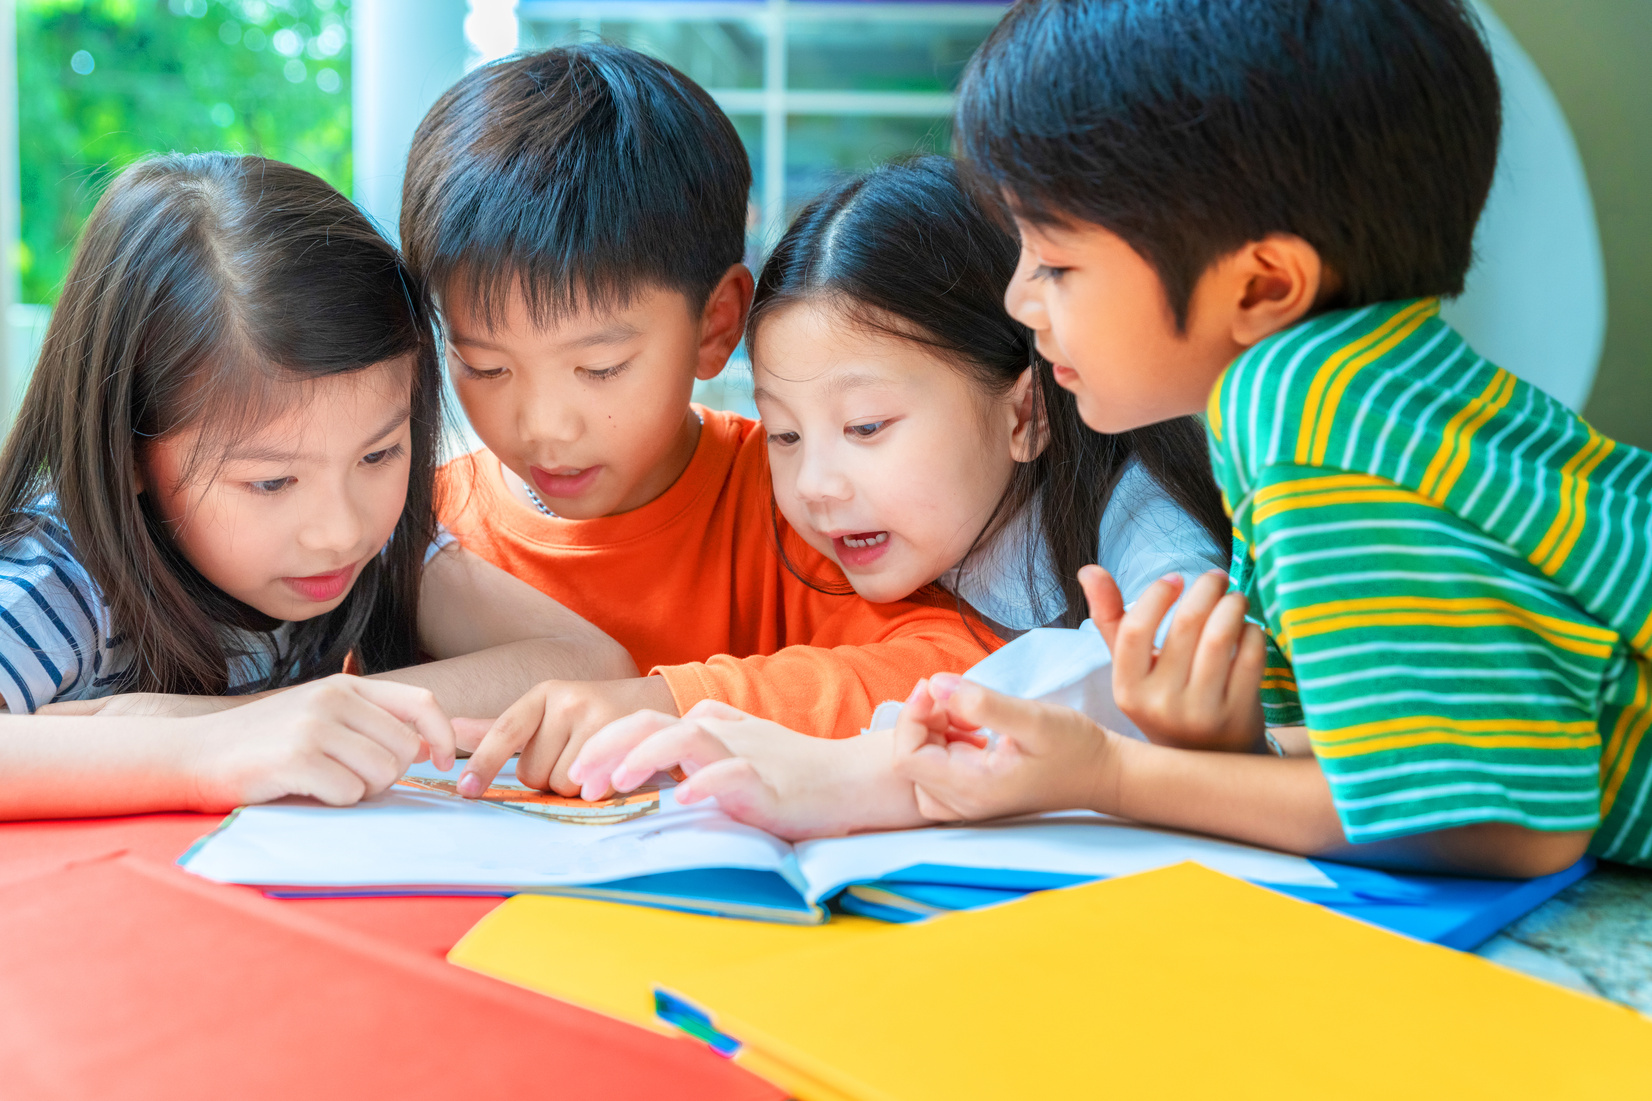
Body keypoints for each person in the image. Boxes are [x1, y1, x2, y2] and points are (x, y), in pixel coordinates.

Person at [578, 0, 1652, 878]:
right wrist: (1220, 754)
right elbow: (1423, 751)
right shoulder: (1362, 383)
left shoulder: (1299, 412)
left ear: (1261, 283)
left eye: (1055, 263)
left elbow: (1507, 822)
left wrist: (1101, 773)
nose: (1022, 304)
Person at [399, 47, 1016, 798]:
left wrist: (670, 703)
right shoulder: (415, 524)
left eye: (600, 369)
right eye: (486, 367)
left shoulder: (802, 495)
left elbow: (960, 667)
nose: (544, 427)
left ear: (717, 323)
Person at [0, 153, 633, 820]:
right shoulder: (59, 589)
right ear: (127, 447)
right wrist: (201, 748)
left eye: (379, 453)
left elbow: (591, 660)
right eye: (272, 481)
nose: (341, 529)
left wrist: (262, 718)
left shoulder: (376, 549)